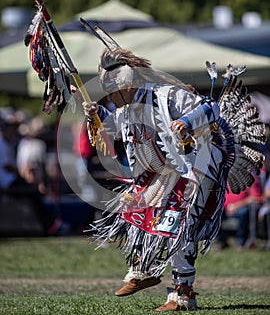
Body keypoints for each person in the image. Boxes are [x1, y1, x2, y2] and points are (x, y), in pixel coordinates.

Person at [81, 30, 265, 311]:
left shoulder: (167, 96)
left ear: (125, 87)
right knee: (136, 212)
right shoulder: (127, 108)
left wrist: (187, 123)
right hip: (164, 174)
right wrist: (95, 114)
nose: (110, 99)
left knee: (179, 227)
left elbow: (210, 108)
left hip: (198, 170)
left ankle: (182, 295)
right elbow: (115, 128)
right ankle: (144, 271)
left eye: (111, 94)